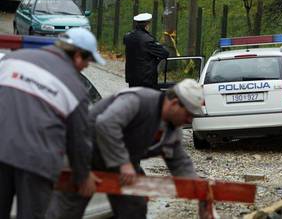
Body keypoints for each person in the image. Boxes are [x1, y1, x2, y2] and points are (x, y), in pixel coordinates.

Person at [46, 79, 207, 219]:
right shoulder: (138, 100)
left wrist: (198, 189)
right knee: (67, 212)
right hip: (85, 157)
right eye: (188, 114)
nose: (189, 119)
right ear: (174, 103)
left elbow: (179, 163)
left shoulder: (172, 131)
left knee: (134, 207)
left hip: (121, 166)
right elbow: (106, 124)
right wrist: (123, 163)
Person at [0, 28, 105, 219]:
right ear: (79, 56)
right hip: (37, 162)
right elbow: (79, 139)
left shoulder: (12, 60)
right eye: (88, 63)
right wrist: (83, 176)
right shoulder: (75, 89)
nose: (85, 68)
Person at [124, 12, 169, 89]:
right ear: (147, 25)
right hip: (146, 79)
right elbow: (164, 53)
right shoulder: (147, 40)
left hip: (132, 78)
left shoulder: (127, 37)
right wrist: (156, 60)